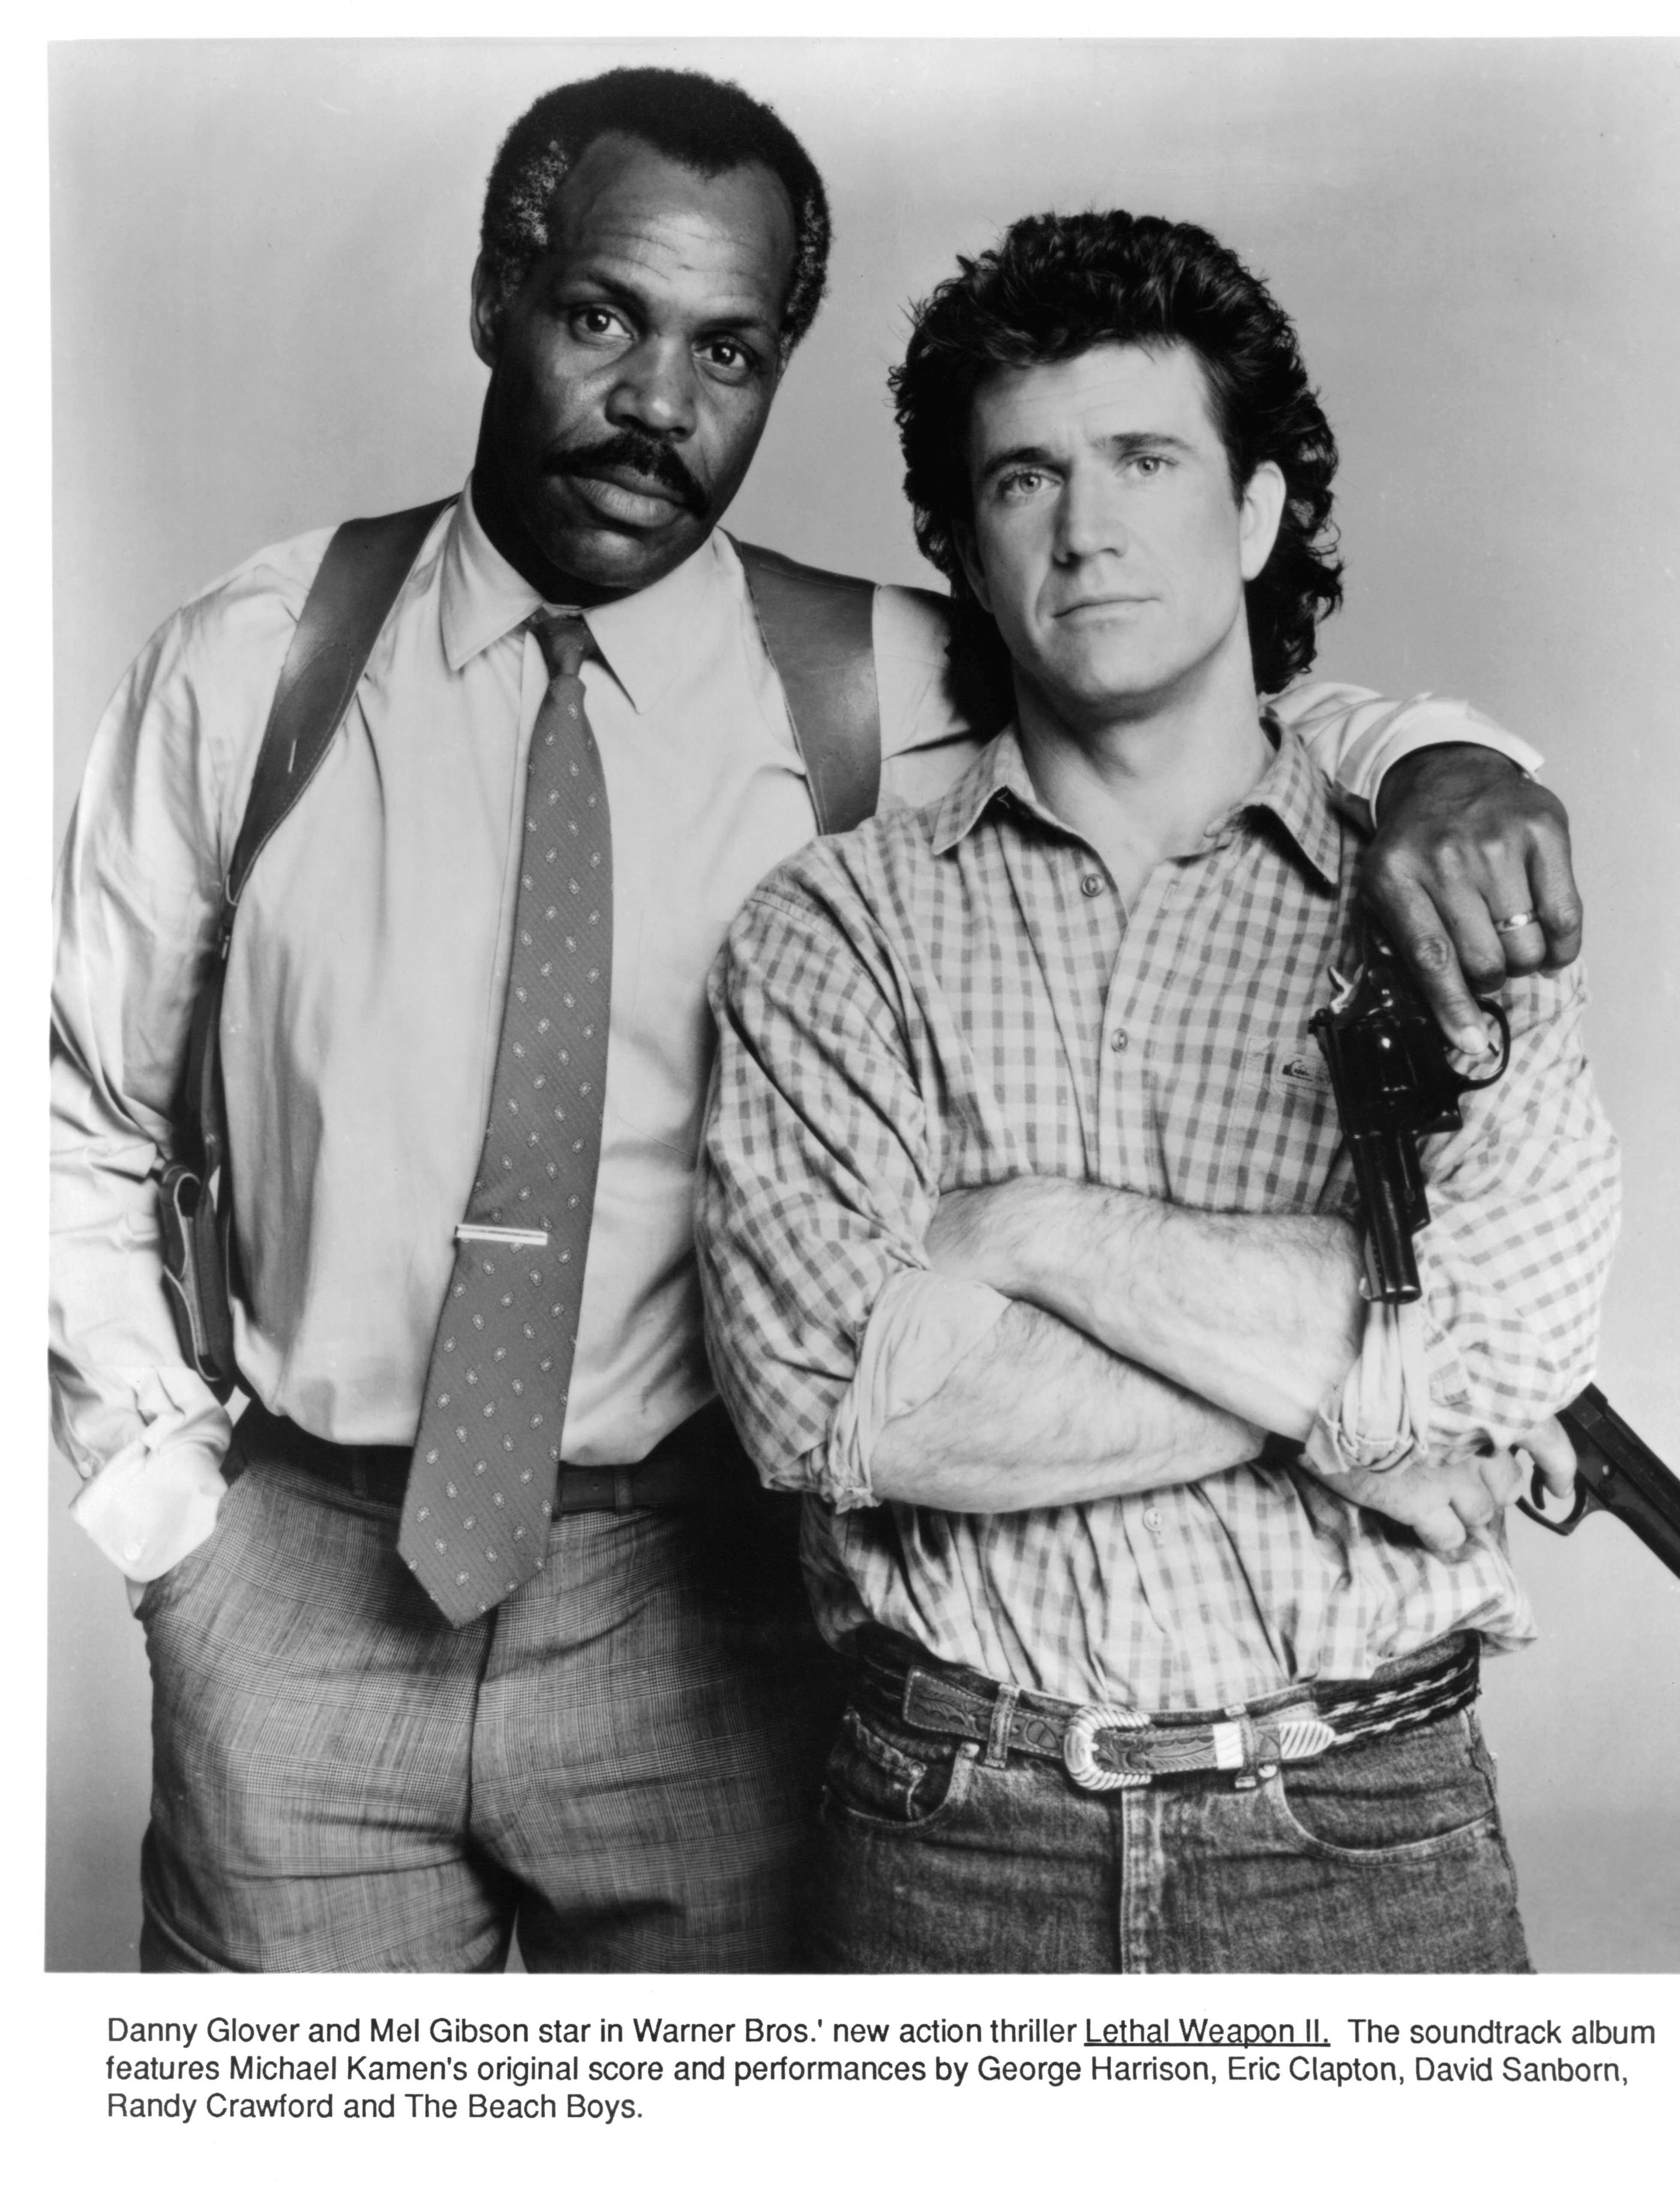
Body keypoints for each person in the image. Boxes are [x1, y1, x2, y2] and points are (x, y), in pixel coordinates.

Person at [52, 67, 1580, 1976]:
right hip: (304, 1576)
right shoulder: (253, 662)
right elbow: (79, 1106)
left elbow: (1180, 682)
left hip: (707, 1605)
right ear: (492, 301)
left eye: (729, 350)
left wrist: (1444, 759)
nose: (656, 404)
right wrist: (167, 1518)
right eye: (603, 318)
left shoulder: (868, 675)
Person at [698, 208, 1620, 1974]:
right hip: (951, 1825)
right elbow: (848, 1407)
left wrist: (1026, 1233)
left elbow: (1507, 1344)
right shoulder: (835, 926)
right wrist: (1369, 1402)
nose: (1088, 524)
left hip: (1362, 1824)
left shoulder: (1438, 873)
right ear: (963, 545)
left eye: (1142, 458)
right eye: (1024, 477)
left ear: (1257, 509)